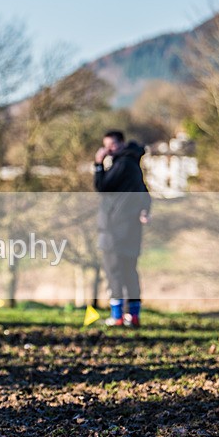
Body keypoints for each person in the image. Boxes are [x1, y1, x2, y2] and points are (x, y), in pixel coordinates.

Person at [94, 130, 151, 327]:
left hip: (113, 230)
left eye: (111, 145)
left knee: (114, 272)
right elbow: (144, 193)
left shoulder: (122, 164)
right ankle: (133, 315)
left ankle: (117, 316)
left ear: (121, 144)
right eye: (105, 146)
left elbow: (102, 187)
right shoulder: (133, 164)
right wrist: (145, 210)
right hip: (131, 229)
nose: (108, 150)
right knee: (130, 273)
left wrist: (98, 164)